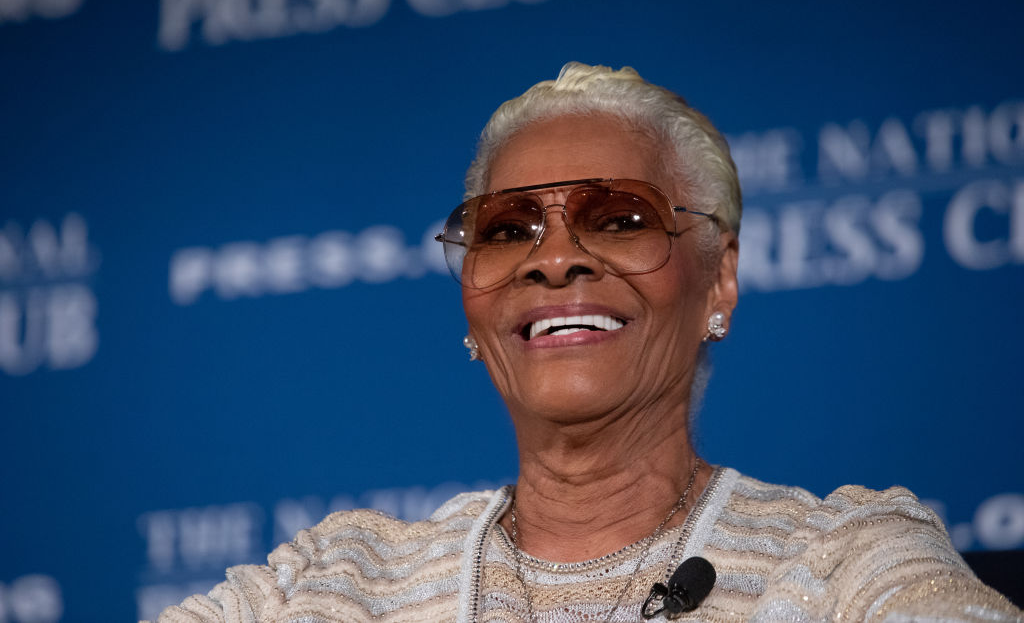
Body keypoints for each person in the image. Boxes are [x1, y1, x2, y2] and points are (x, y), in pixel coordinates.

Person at [152, 63, 1021, 622]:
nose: (556, 257)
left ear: (718, 281)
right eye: (507, 229)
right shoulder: (333, 581)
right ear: (471, 305)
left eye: (620, 218)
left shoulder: (842, 560)